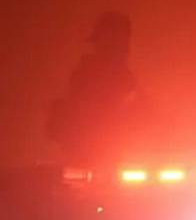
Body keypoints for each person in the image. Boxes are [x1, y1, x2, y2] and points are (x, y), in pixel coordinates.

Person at [46, 12, 152, 163]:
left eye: (123, 40)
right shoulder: (87, 75)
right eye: (115, 39)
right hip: (93, 156)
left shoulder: (125, 77)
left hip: (119, 155)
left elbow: (140, 111)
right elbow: (85, 116)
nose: (123, 46)